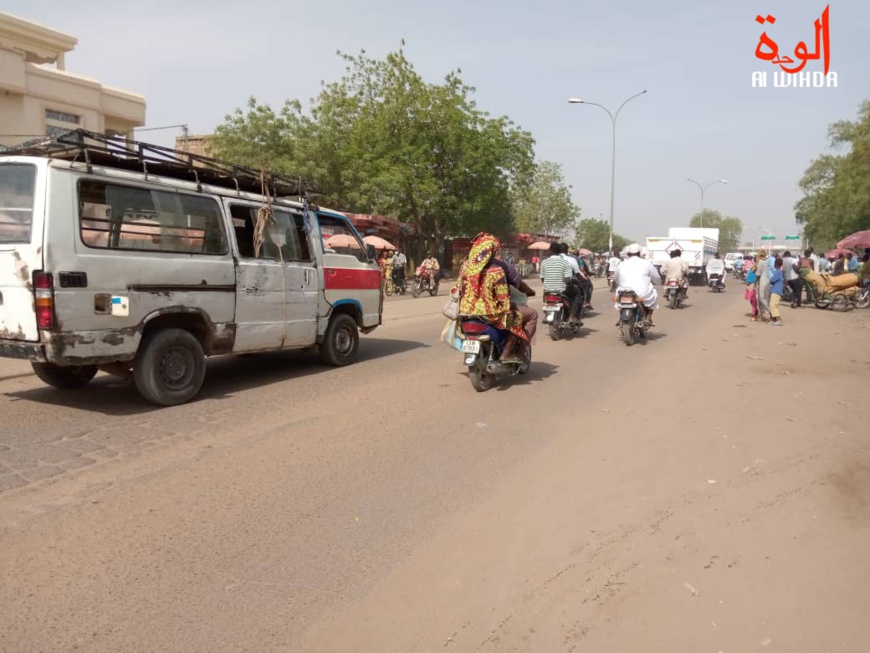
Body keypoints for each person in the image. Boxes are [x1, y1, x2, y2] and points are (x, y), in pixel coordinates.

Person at [457, 234, 528, 362]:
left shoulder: (465, 267)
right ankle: (506, 354)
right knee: (516, 319)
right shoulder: (496, 270)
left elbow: (458, 289)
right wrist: (506, 309)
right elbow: (503, 297)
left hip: (465, 314)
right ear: (492, 252)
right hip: (489, 314)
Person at [615, 243, 661, 326]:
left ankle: (620, 317)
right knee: (654, 292)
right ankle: (648, 317)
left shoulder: (621, 264)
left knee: (619, 298)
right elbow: (656, 278)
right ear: (639, 253)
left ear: (628, 253)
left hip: (623, 292)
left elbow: (617, 279)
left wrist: (621, 285)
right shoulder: (647, 263)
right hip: (642, 294)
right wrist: (658, 282)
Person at [541, 242, 583, 325]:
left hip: (548, 290)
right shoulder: (564, 262)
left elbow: (542, 278)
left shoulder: (544, 262)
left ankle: (547, 314)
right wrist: (570, 284)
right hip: (562, 290)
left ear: (550, 251)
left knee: (545, 295)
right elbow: (568, 279)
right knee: (577, 293)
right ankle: (572, 316)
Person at [756, 250, 772, 322]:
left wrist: (755, 271)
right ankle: (763, 314)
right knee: (766, 297)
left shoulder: (760, 262)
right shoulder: (768, 261)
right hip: (768, 280)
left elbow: (758, 273)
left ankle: (769, 311)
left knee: (761, 297)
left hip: (762, 280)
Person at [769, 257, 784, 326]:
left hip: (776, 291)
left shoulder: (778, 272)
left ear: (776, 264)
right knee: (772, 305)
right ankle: (773, 319)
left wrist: (770, 279)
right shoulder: (779, 271)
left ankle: (778, 319)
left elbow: (772, 280)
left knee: (773, 305)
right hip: (776, 290)